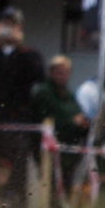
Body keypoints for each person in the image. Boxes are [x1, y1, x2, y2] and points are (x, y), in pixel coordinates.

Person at [0, 7, 45, 208]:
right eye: (5, 24)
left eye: (12, 25)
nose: (8, 29)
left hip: (18, 121)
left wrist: (20, 45)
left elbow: (38, 74)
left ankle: (17, 206)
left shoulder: (28, 54)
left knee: (17, 165)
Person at [31, 55, 89, 197]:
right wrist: (71, 122)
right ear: (51, 73)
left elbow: (78, 112)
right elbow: (47, 119)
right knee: (50, 183)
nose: (63, 76)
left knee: (66, 184)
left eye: (66, 72)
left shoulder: (69, 94)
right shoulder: (44, 92)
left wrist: (82, 123)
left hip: (68, 148)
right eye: (59, 72)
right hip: (48, 149)